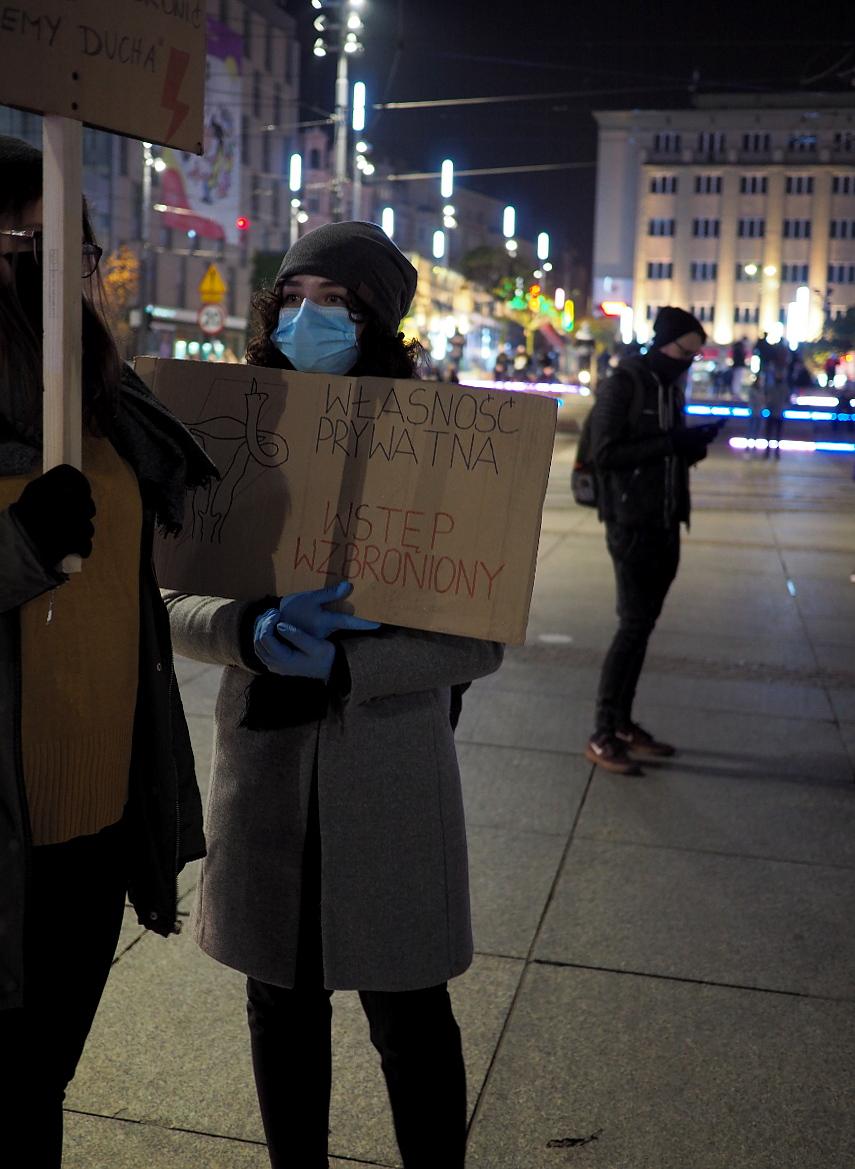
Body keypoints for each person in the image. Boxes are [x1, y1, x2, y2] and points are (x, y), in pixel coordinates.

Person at [164, 221, 504, 1169]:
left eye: (336, 302)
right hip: (265, 766)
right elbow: (169, 596)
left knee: (408, 1012)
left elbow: (478, 638)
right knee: (277, 1001)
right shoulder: (233, 429)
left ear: (377, 322)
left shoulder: (437, 439)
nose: (306, 318)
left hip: (387, 770)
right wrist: (248, 630)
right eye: (293, 297)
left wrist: (352, 667)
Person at [0, 135, 214, 1164]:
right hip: (6, 829)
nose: (47, 269)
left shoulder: (107, 398)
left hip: (94, 821)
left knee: (39, 1082)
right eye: (20, 243)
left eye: (66, 248)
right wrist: (17, 546)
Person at [584, 306, 722, 775]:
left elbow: (664, 450)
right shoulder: (625, 383)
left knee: (643, 627)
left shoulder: (671, 387)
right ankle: (603, 732)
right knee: (632, 625)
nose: (689, 363)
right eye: (686, 353)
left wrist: (690, 448)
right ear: (664, 344)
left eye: (695, 356)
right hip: (631, 523)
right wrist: (672, 444)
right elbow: (605, 453)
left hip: (666, 521)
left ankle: (622, 724)